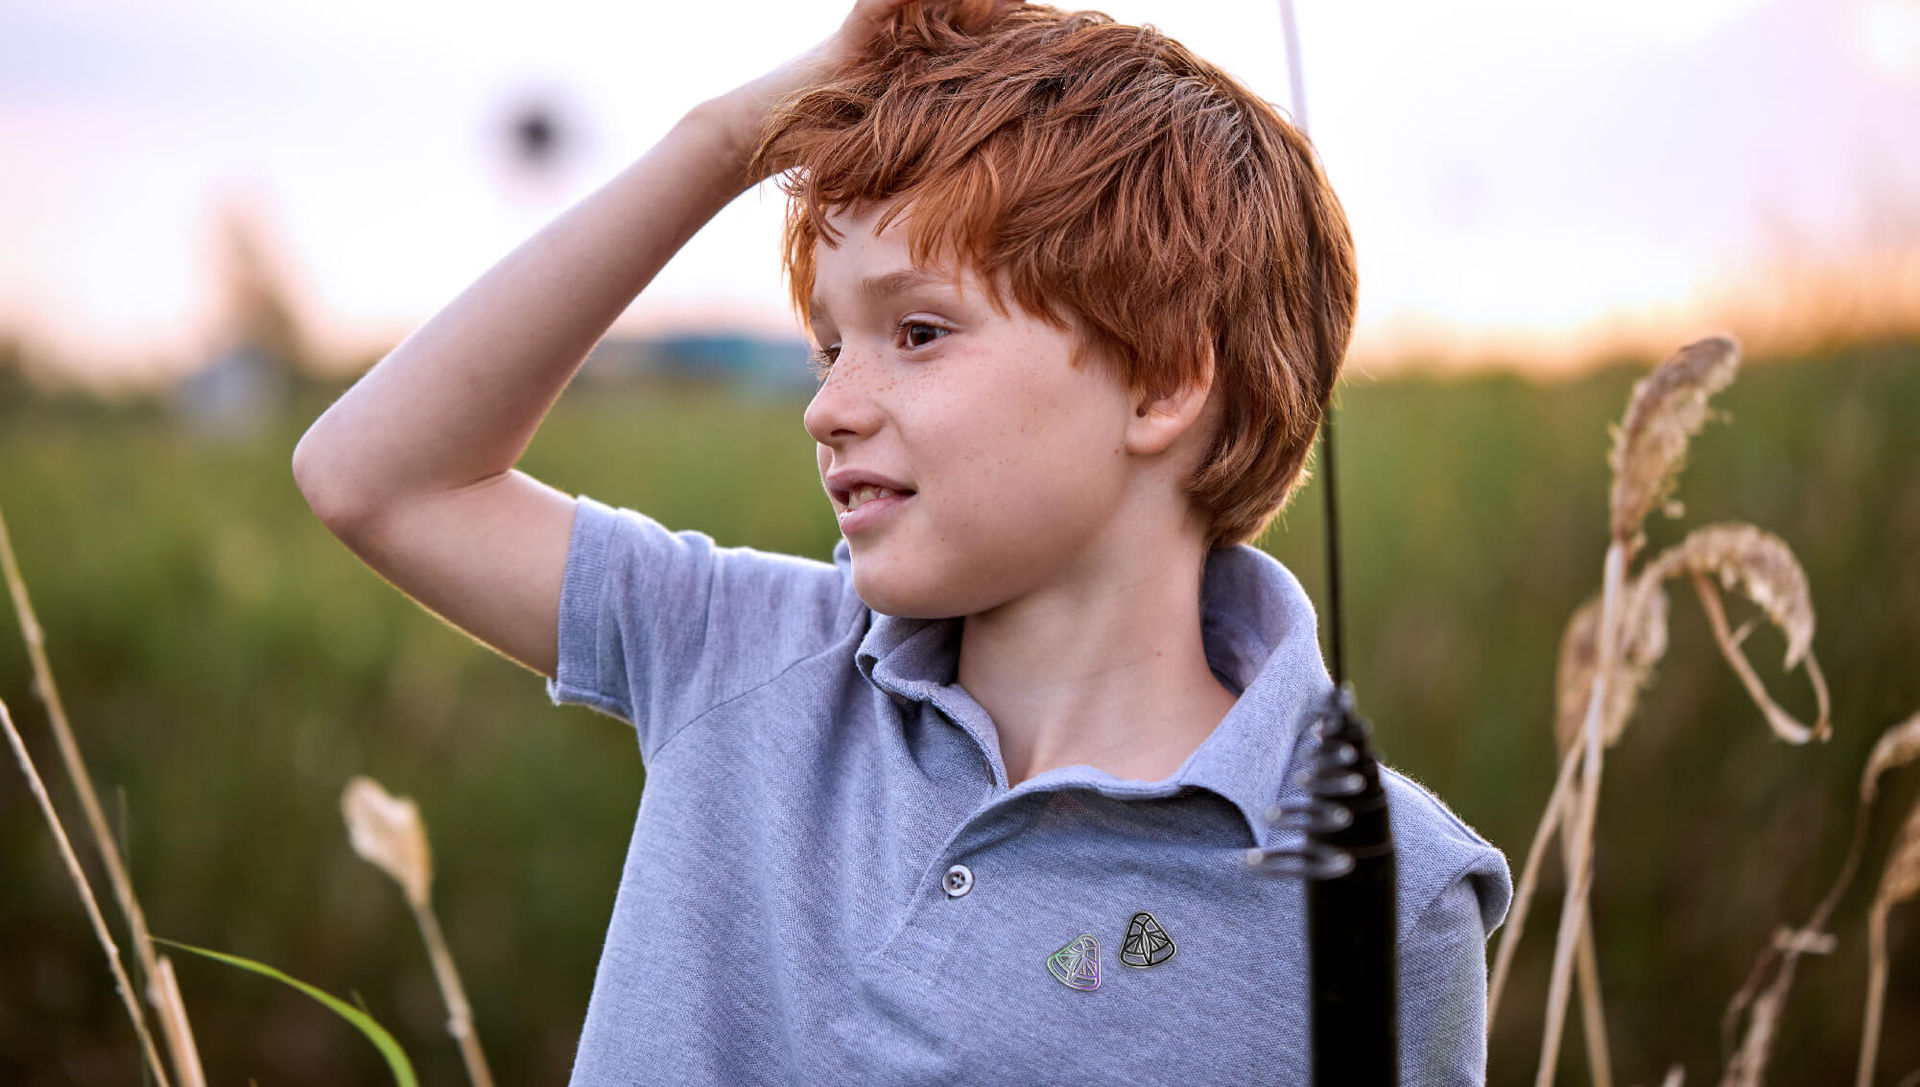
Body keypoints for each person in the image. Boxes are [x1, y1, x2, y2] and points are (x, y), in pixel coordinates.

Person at [292, 0, 1512, 1081]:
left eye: (917, 333)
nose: (828, 405)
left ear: (1161, 387)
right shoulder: (739, 653)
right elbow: (373, 479)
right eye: (829, 345)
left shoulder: (1388, 892)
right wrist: (734, 135)